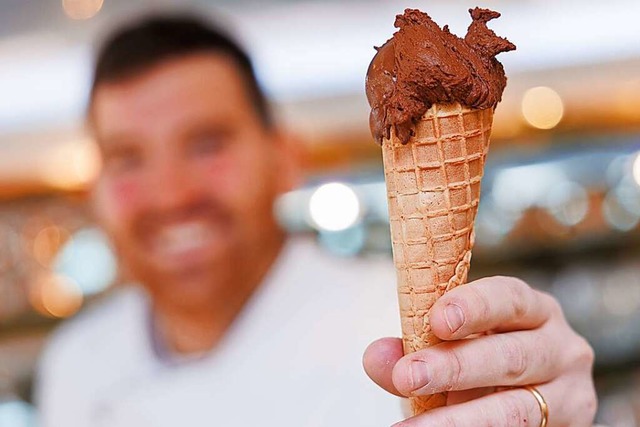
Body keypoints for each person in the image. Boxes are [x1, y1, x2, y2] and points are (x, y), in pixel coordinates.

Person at [35, 13, 597, 427]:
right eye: (128, 157)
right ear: (96, 189)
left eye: (207, 144)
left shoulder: (415, 334)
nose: (171, 195)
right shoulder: (72, 364)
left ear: (286, 159)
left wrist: (552, 406)